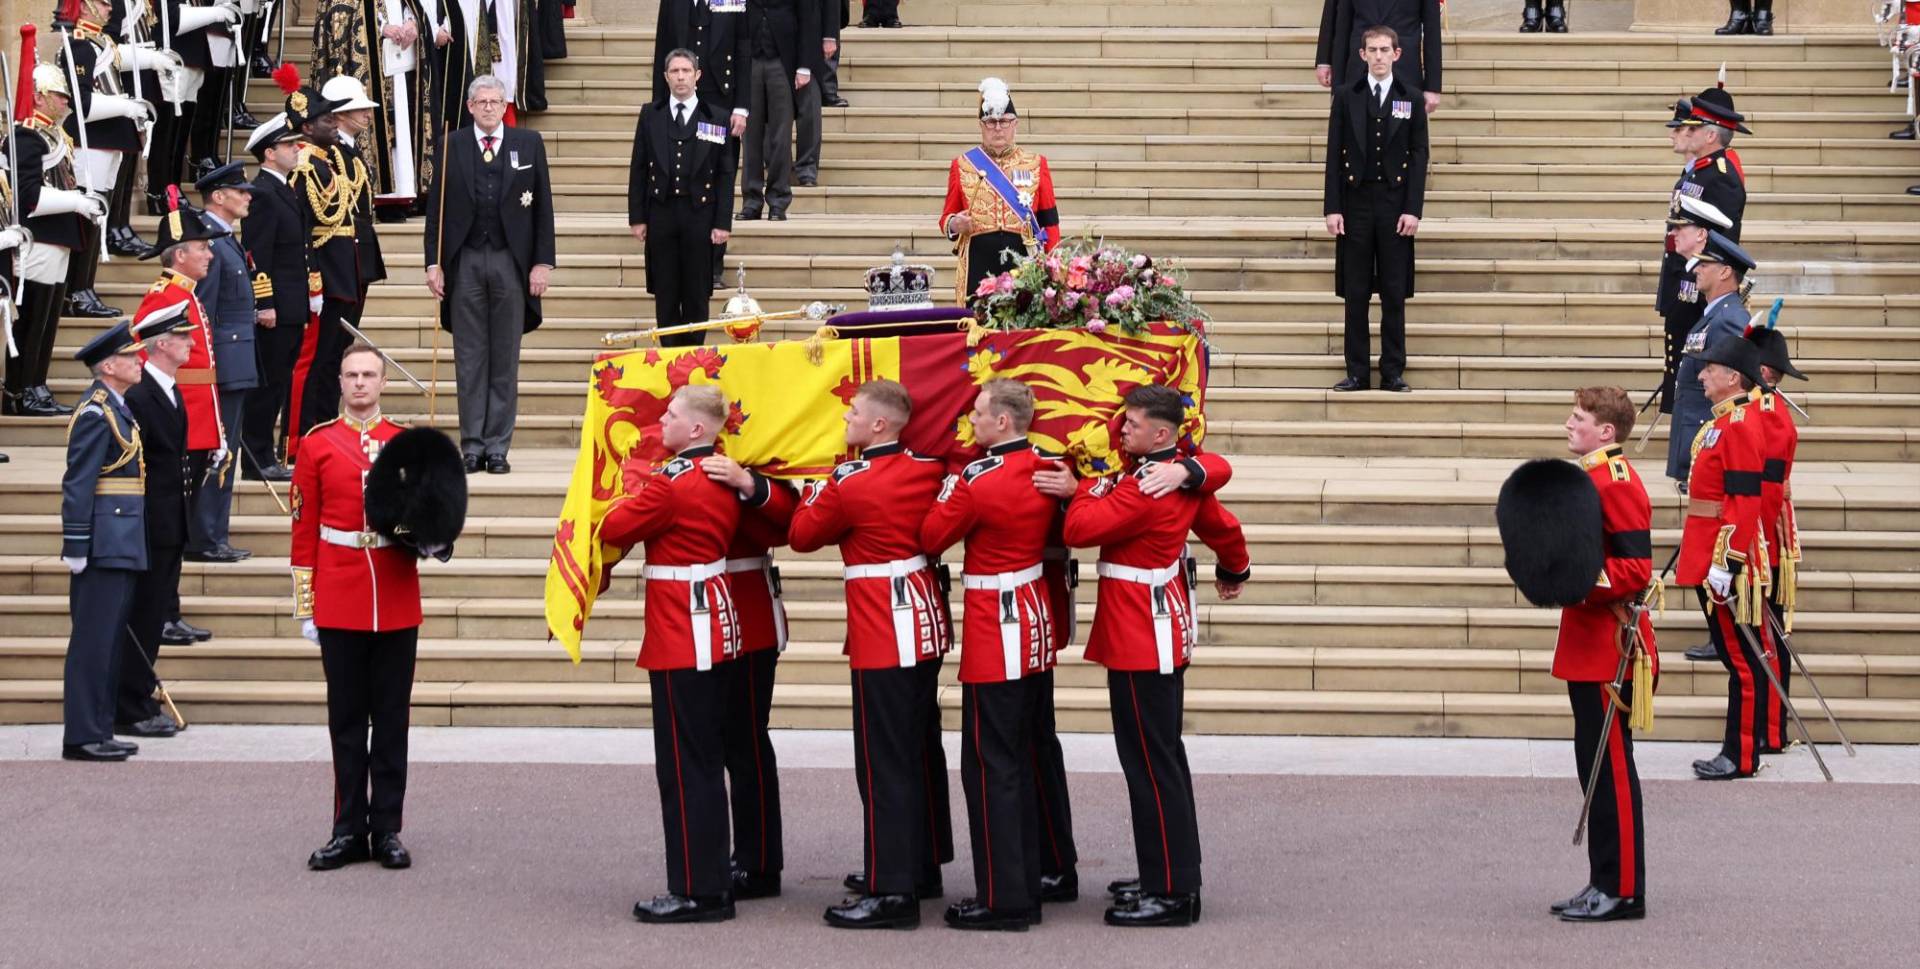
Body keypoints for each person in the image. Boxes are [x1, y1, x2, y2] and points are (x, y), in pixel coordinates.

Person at [1059, 384, 1251, 928]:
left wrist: (1085, 487)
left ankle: (1171, 891)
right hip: (1147, 628)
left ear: (1162, 434)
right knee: (1156, 759)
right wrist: (1234, 568)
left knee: (1151, 764)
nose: (1123, 430)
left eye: (1134, 425)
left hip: (1142, 633)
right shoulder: (1168, 474)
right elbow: (1223, 527)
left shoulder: (1145, 487)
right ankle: (1164, 872)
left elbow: (1079, 528)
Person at [789, 378, 955, 930]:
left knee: (883, 762)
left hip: (883, 624)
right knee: (917, 749)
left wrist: (818, 485)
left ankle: (892, 890)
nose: (847, 418)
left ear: (879, 424)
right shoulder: (928, 469)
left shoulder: (849, 481)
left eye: (855, 413)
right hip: (924, 619)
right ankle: (918, 864)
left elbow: (804, 535)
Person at [599, 386, 748, 924]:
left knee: (685, 768)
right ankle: (707, 881)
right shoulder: (720, 474)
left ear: (696, 431)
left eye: (672, 415)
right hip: (713, 618)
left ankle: (698, 890)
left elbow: (615, 528)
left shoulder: (672, 484)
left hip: (683, 626)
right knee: (703, 761)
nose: (661, 420)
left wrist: (630, 489)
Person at [918, 379, 1062, 931]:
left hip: (995, 623)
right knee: (1019, 758)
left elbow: (932, 535)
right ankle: (1024, 882)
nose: (970, 423)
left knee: (988, 765)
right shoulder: (1046, 466)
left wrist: (951, 486)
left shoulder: (977, 480)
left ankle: (1004, 898)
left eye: (978, 414)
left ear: (1003, 422)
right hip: (1034, 614)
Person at [293, 343, 428, 870]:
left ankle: (387, 829)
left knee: (391, 720)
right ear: (341, 381)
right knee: (346, 720)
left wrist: (435, 536)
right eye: (351, 374)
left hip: (395, 591)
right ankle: (347, 827)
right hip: (340, 592)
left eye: (369, 375)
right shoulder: (318, 444)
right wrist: (307, 603)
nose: (359, 384)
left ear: (383, 383)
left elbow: (425, 515)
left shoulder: (404, 443)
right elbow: (303, 529)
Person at [1549, 388, 1657, 923]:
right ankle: (1602, 879)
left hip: (1611, 647)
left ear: (1606, 432)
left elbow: (1635, 570)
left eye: (1579, 418)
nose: (1569, 424)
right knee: (1593, 768)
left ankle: (1624, 889)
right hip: (1589, 641)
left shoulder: (1614, 484)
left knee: (1612, 770)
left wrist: (1573, 579)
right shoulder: (1590, 480)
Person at [424, 74, 557, 474]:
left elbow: (543, 208)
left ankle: (497, 446)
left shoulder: (527, 144)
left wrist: (542, 262)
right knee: (469, 358)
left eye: (494, 102)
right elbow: (436, 211)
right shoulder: (452, 144)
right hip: (464, 261)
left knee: (504, 357)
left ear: (505, 106)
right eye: (480, 102)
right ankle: (472, 445)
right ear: (469, 107)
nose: (487, 108)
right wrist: (433, 262)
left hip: (510, 261)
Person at [700, 453, 801, 903]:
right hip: (698, 616)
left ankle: (758, 861)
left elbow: (787, 521)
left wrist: (748, 483)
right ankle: (728, 854)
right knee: (716, 743)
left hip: (748, 616)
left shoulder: (756, 456)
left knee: (746, 743)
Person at [1677, 334, 1774, 782]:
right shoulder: (1720, 421)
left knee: (1741, 662)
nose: (1702, 376)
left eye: (1709, 370)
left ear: (1732, 376)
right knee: (1738, 659)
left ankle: (1740, 754)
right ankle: (1739, 749)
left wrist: (1728, 560)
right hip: (1706, 546)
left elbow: (1743, 497)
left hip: (1724, 555)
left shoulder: (1737, 424)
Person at [59, 320, 150, 762]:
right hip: (101, 542)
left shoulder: (117, 408)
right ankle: (81, 734)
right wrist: (76, 545)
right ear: (109, 366)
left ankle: (99, 726)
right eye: (131, 358)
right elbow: (79, 483)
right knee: (93, 642)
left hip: (121, 539)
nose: (139, 362)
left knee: (110, 640)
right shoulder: (96, 413)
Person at [1323, 24, 1429, 394]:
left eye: (1386, 49)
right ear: (1362, 54)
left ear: (1397, 55)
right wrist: (1332, 207)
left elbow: (1419, 157)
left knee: (1394, 291)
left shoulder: (1411, 98)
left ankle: (1393, 371)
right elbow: (1333, 155)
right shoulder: (1346, 95)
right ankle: (1356, 372)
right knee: (1355, 292)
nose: (1380, 56)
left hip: (1395, 204)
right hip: (1355, 204)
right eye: (1373, 49)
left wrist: (1413, 209)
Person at [115, 303, 199, 742]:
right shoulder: (141, 395)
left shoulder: (166, 388)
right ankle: (130, 705)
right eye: (183, 337)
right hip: (150, 524)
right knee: (143, 616)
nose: (192, 342)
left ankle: (139, 695)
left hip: (170, 523)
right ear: (161, 344)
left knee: (151, 618)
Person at [9, 62, 107, 418]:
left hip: (58, 236)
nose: (65, 100)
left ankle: (37, 385)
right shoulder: (25, 137)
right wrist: (77, 201)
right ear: (36, 96)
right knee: (33, 319)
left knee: (48, 321)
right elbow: (28, 196)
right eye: (57, 94)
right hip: (37, 236)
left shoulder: (53, 135)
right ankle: (20, 389)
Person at [274, 69, 363, 449]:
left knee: (330, 360)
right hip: (323, 273)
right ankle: (298, 441)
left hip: (342, 270)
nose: (334, 124)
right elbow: (306, 229)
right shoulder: (307, 167)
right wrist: (313, 278)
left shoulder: (330, 161)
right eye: (327, 120)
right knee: (311, 362)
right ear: (307, 129)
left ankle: (321, 431)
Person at [628, 51, 736, 349]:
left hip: (699, 213)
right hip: (661, 212)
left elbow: (726, 174)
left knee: (697, 290)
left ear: (697, 75)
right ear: (665, 77)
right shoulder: (651, 114)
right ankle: (669, 356)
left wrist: (723, 222)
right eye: (674, 71)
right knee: (665, 289)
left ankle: (693, 352)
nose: (680, 76)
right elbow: (638, 166)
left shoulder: (716, 117)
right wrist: (637, 217)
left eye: (686, 70)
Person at [1655, 83, 1748, 423]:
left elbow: (1722, 238)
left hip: (1698, 280)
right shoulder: (1698, 170)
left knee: (1698, 369)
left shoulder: (1721, 176)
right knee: (1682, 359)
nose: (1681, 133)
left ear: (1710, 136)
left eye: (1691, 127)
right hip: (1684, 276)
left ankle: (1697, 433)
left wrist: (1702, 279)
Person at [186, 161, 261, 564]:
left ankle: (213, 533)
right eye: (241, 191)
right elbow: (204, 315)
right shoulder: (210, 243)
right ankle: (205, 536)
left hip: (234, 362)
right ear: (218, 197)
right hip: (220, 367)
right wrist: (206, 369)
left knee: (224, 451)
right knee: (218, 452)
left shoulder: (223, 238)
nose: (248, 196)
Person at [55, 0, 149, 316]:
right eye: (103, 2)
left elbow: (122, 63)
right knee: (85, 217)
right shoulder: (80, 46)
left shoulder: (101, 42)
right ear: (82, 6)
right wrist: (124, 107)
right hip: (89, 141)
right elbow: (80, 102)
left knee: (97, 216)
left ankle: (85, 287)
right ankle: (76, 292)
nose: (110, 9)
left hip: (107, 141)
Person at [650, 0, 751, 287]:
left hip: (719, 103)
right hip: (680, 103)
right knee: (680, 177)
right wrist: (659, 106)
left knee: (715, 178)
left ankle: (714, 263)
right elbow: (662, 48)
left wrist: (742, 107)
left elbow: (743, 50)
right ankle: (681, 258)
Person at [1743, 319, 1806, 753]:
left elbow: (1762, 488)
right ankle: (1769, 727)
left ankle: (1769, 729)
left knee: (1766, 635)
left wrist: (1752, 542)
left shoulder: (1763, 411)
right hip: (1767, 528)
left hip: (1764, 532)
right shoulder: (1762, 406)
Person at [939, 78, 1059, 305]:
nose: (997, 128)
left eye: (1004, 121)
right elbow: (946, 217)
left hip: (1023, 259)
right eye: (991, 121)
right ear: (981, 125)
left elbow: (1049, 222)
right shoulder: (962, 165)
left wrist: (1051, 266)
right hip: (978, 260)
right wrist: (955, 224)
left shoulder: (1036, 164)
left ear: (1015, 124)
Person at [309, 0, 433, 220]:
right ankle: (375, 194)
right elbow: (340, 12)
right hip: (367, 58)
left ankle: (402, 194)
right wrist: (380, 26)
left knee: (402, 123)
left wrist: (412, 21)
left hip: (399, 61)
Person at [238, 115, 310, 481]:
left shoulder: (283, 187)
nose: (297, 149)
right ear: (269, 153)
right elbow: (257, 254)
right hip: (276, 307)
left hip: (292, 303)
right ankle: (256, 457)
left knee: (279, 381)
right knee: (267, 385)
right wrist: (264, 303)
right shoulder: (263, 193)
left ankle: (263, 454)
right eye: (288, 145)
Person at [1667, 231, 1754, 488]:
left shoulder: (1729, 320)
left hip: (1707, 438)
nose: (1697, 269)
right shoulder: (1716, 314)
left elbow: (1732, 387)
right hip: (1695, 434)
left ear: (1725, 272)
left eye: (1705, 264)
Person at [737, 0, 821, 222]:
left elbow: (807, 19)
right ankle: (751, 201)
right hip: (750, 60)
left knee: (781, 136)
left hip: (783, 61)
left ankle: (778, 201)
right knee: (750, 136)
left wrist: (804, 66)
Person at [1654, 193, 1733, 422]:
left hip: (1701, 397)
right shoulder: (1683, 272)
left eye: (1681, 229)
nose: (1673, 234)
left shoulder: (1709, 279)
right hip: (1686, 389)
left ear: (1701, 234)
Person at [150, 0, 244, 189]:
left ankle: (173, 190)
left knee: (180, 133)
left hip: (194, 55)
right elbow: (173, 16)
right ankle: (159, 192)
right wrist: (218, 13)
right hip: (174, 56)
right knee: (167, 132)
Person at [320, 77, 390, 300]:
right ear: (340, 113)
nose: (367, 114)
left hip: (358, 245)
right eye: (360, 109)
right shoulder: (330, 151)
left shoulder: (349, 148)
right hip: (340, 250)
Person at [1316, 0, 1441, 113]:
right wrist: (1328, 65)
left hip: (1404, 72)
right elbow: (1341, 23)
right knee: (1355, 134)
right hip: (1358, 70)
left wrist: (1432, 86)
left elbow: (1432, 29)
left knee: (1402, 134)